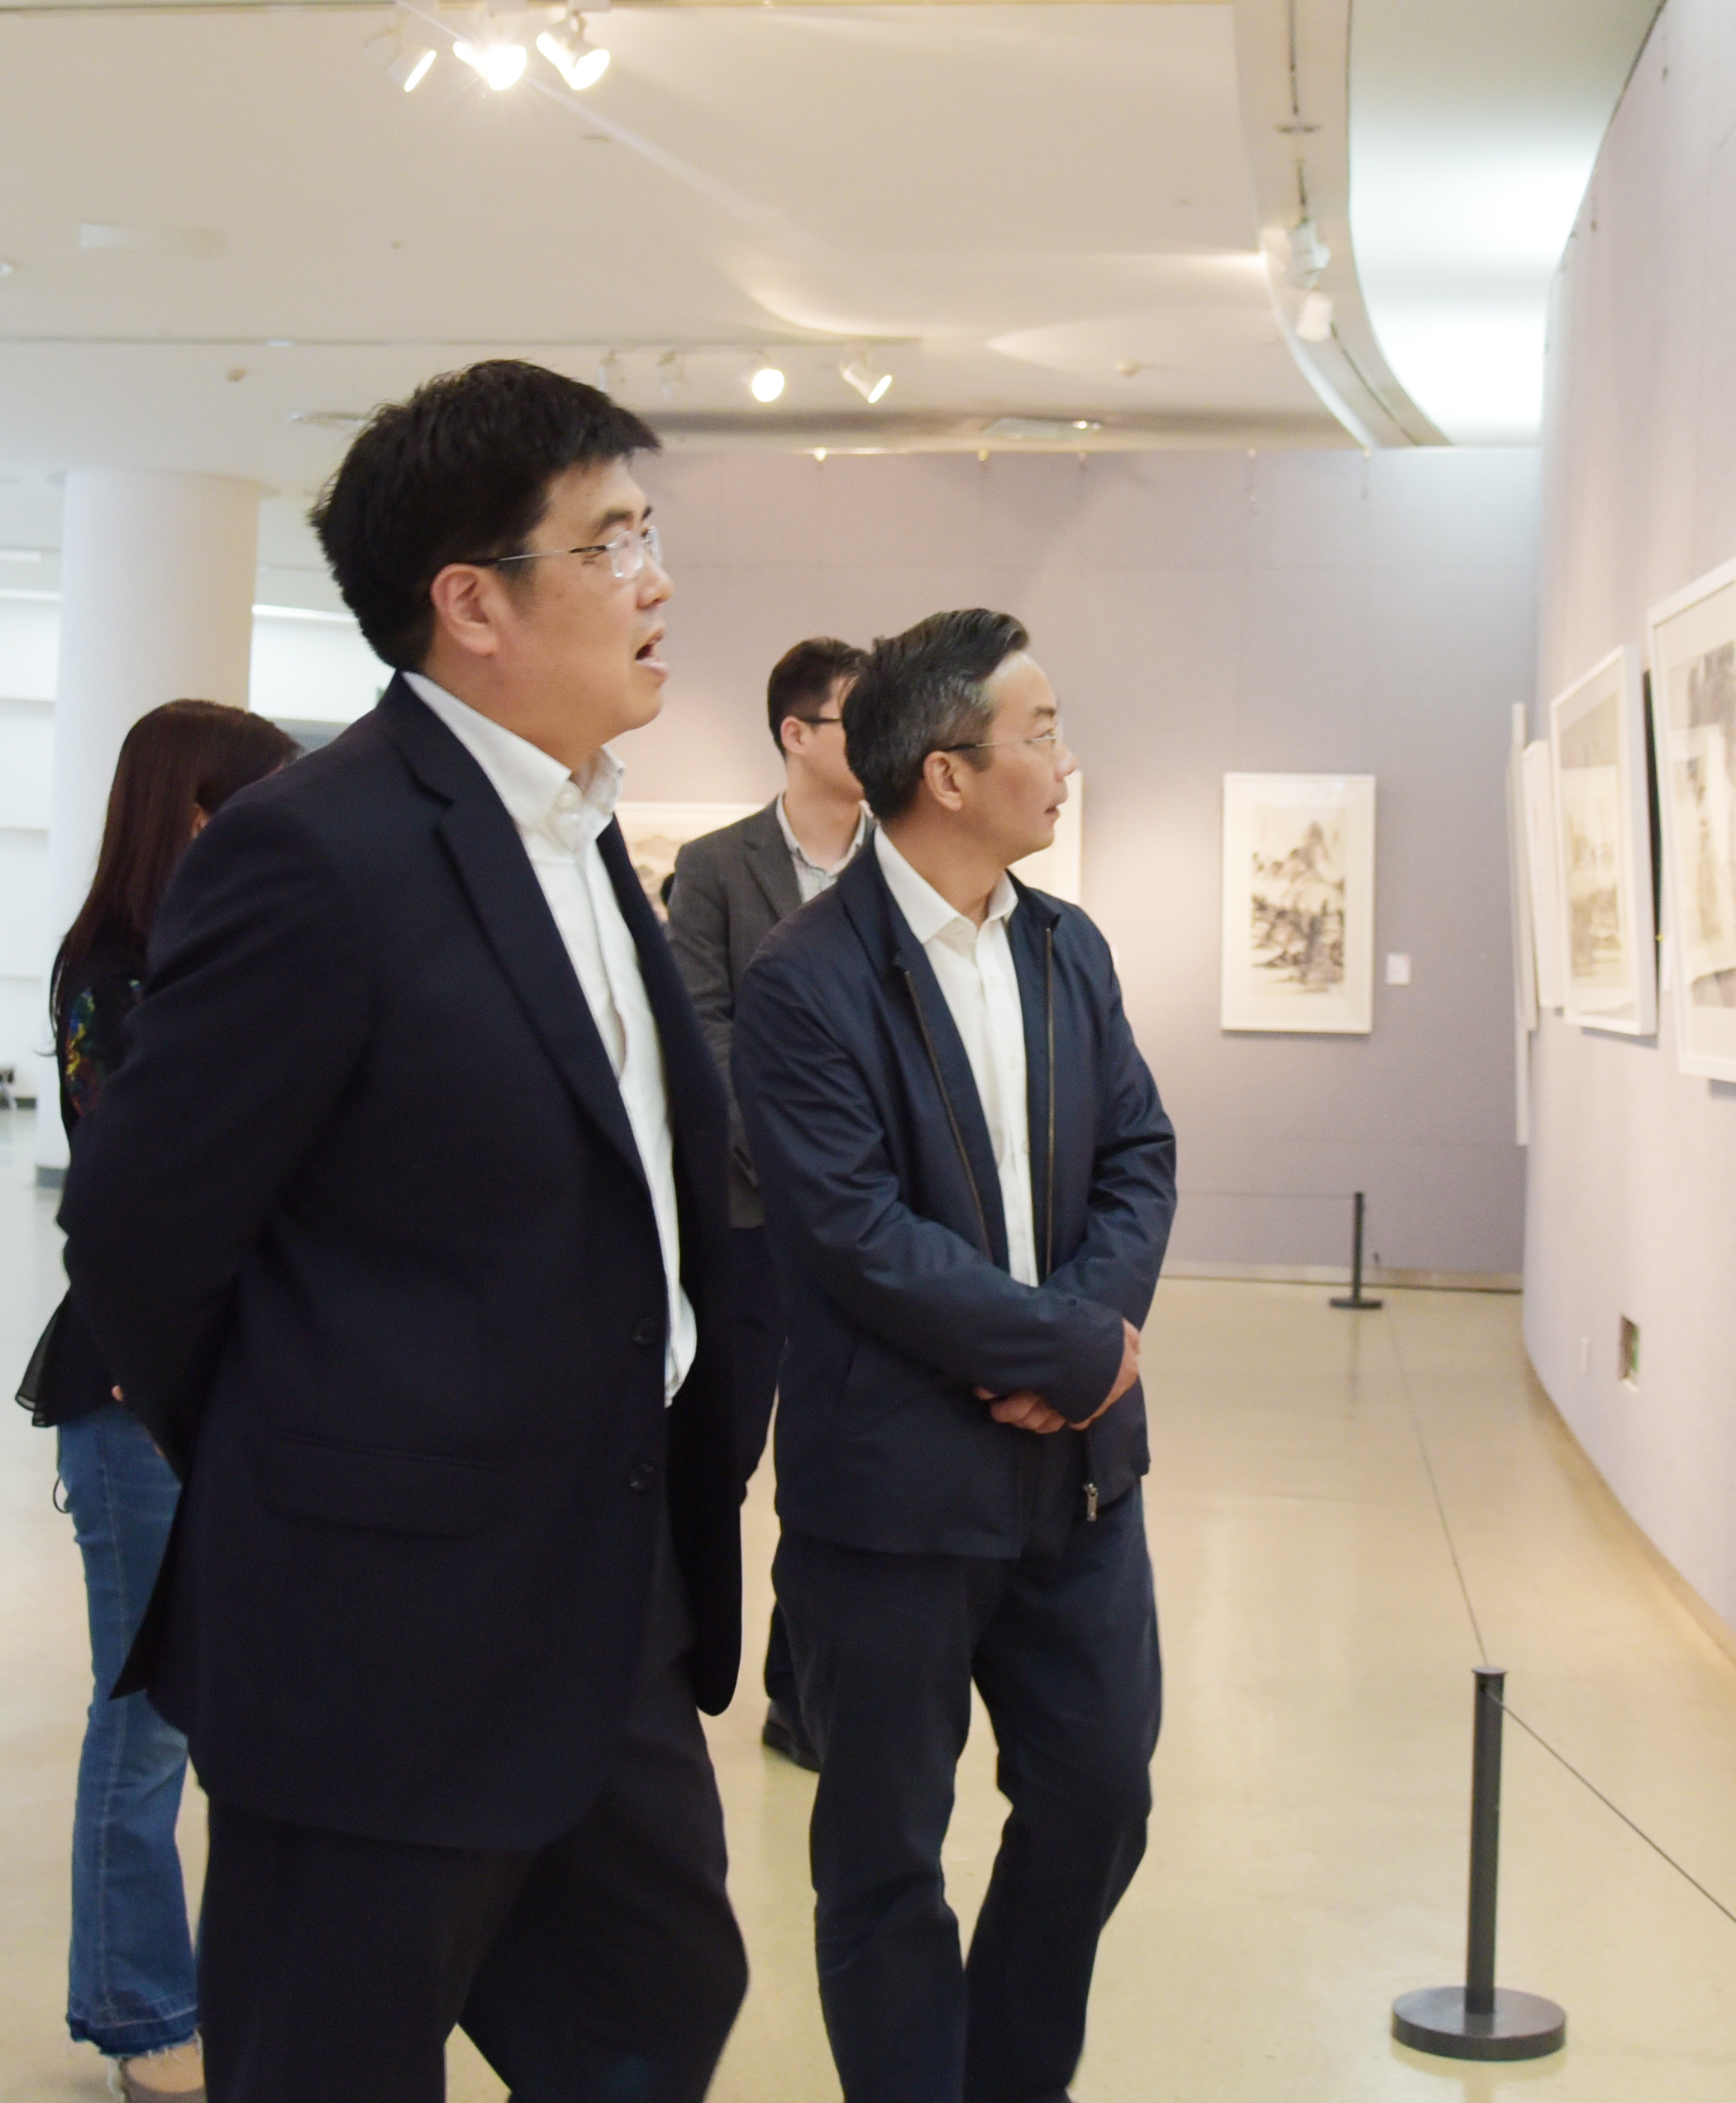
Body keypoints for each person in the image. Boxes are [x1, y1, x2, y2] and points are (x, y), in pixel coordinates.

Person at [60, 360, 748, 2103]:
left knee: (656, 2015)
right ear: (472, 603)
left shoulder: (580, 833)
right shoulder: (316, 849)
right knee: (332, 2060)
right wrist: (326, 1460)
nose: (657, 580)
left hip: (610, 1599)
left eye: (648, 534)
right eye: (612, 542)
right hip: (378, 1630)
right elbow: (143, 1230)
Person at [736, 608, 1176, 2103]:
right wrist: (1071, 1344)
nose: (1066, 762)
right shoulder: (805, 980)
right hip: (893, 1501)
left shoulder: (1066, 947)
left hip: (1079, 1484)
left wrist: (1086, 1349)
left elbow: (1140, 1155)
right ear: (947, 773)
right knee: (883, 1859)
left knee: (1099, 1802)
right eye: (1040, 733)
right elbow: (854, 1234)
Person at [40, 701, 301, 2103]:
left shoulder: (241, 954)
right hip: (139, 1385)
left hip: (263, 1381)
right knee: (145, 1720)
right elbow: (144, 1190)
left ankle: (241, 1990)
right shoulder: (115, 970)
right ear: (193, 814)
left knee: (263, 1710)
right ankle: (142, 2011)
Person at [665, 633, 868, 1773]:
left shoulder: (901, 863)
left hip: (870, 1230)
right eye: (854, 717)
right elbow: (703, 1026)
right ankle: (675, 1678)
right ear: (797, 733)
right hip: (750, 1219)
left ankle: (803, 1695)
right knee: (725, 1455)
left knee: (836, 1473)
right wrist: (787, 1163)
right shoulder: (716, 867)